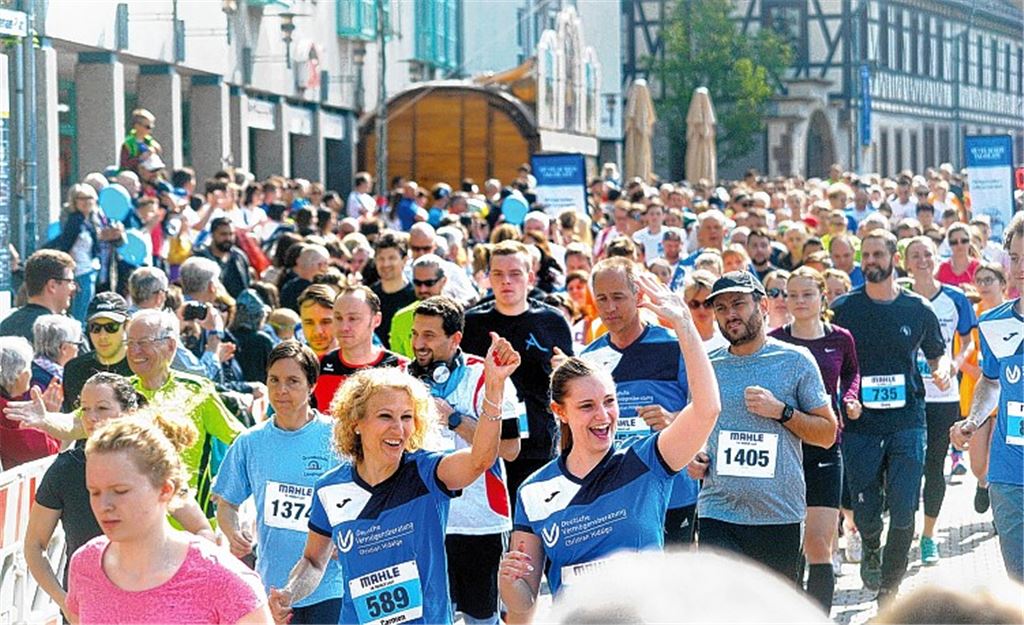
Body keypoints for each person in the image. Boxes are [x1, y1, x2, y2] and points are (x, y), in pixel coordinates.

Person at [499, 275, 720, 619]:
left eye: (609, 401)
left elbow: (707, 410)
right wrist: (510, 586)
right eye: (587, 406)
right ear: (561, 412)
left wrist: (684, 327)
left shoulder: (647, 460)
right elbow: (524, 608)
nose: (603, 416)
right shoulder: (534, 490)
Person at [269, 336, 521, 625]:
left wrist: (494, 389)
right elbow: (313, 562)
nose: (398, 428)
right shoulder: (330, 488)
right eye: (385, 416)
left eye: (406, 417)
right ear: (356, 423)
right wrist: (290, 592)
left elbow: (480, 460)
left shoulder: (427, 472)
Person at [25, 373, 215, 621]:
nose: (92, 418)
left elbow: (202, 529)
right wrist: (65, 601)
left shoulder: (152, 464)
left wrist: (178, 580)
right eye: (85, 409)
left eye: (102, 408)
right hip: (87, 611)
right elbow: (33, 545)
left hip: (152, 608)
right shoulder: (65, 469)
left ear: (128, 412)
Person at [687, 271, 837, 581]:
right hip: (718, 510)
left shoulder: (795, 360)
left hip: (778, 514)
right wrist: (696, 455)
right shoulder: (708, 365)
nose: (730, 315)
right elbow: (696, 429)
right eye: (721, 308)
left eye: (738, 304)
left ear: (763, 305)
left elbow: (827, 433)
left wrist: (782, 412)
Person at [831, 229, 949, 602]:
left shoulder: (917, 308)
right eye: (865, 255)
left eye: (878, 255)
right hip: (861, 422)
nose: (870, 262)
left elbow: (936, 352)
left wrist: (942, 370)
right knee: (865, 507)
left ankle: (891, 584)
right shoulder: (845, 309)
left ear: (893, 259)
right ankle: (869, 545)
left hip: (907, 421)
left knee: (902, 512)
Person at [64, 417, 271, 624]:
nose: (104, 505)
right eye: (95, 492)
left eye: (120, 491)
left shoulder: (223, 579)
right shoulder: (85, 564)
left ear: (165, 490)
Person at [409, 296, 521, 625]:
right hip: (427, 520)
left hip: (480, 521)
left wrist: (455, 419)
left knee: (481, 618)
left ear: (455, 338)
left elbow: (511, 449)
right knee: (429, 615)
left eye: (429, 335)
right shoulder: (404, 377)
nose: (418, 344)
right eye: (415, 334)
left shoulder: (488, 376)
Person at [213, 342, 343, 624]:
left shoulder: (337, 438)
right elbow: (226, 503)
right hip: (273, 587)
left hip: (331, 585)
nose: (281, 390)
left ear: (311, 386)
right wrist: (233, 532)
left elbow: (363, 499)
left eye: (292, 381)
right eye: (274, 380)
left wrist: (346, 536)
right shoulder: (250, 441)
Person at [579, 258, 702, 545]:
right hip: (616, 490)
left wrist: (674, 420)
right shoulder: (590, 358)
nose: (610, 308)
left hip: (672, 489)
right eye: (602, 299)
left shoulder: (674, 345)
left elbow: (706, 408)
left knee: (674, 583)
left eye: (618, 297)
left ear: (638, 296)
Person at [769, 267, 861, 611]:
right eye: (791, 295)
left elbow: (852, 373)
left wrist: (851, 398)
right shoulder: (776, 340)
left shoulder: (841, 338)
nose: (799, 301)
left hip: (826, 446)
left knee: (819, 544)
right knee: (790, 544)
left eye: (807, 294)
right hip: (785, 449)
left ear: (823, 297)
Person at [462, 241, 574, 505]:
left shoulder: (552, 321)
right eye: (498, 274)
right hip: (488, 444)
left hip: (540, 442)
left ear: (530, 278)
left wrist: (564, 368)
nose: (506, 282)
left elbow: (571, 380)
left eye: (515, 274)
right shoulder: (473, 324)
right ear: (488, 277)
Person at [950, 212, 1024, 582]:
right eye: (1015, 258)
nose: (1021, 268)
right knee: (1019, 581)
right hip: (1009, 473)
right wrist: (974, 419)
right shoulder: (994, 322)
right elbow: (991, 382)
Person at [903, 235, 976, 565]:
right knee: (905, 469)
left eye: (927, 254)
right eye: (914, 255)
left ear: (937, 258)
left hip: (942, 396)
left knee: (934, 466)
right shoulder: (898, 298)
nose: (921, 260)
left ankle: (929, 537)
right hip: (904, 397)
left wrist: (954, 367)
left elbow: (967, 342)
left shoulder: (955, 298)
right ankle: (902, 532)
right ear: (905, 262)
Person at [312, 285, 408, 412]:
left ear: (376, 320)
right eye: (338, 318)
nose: (344, 327)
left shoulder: (400, 367)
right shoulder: (317, 367)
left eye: (353, 318)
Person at [959, 261, 1007, 512]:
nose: (984, 285)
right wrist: (986, 373)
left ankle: (1000, 506)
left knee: (1001, 457)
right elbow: (962, 353)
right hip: (977, 393)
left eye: (990, 280)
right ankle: (982, 482)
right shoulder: (972, 314)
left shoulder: (1013, 315)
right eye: (981, 281)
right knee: (978, 463)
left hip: (1008, 396)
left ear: (1002, 283)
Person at [55, 184, 123, 322]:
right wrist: (70, 275)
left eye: (90, 198)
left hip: (90, 270)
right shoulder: (75, 220)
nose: (87, 202)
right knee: (80, 315)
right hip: (80, 272)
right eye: (82, 198)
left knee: (86, 313)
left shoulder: (91, 220)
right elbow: (65, 247)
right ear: (75, 201)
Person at [62, 292, 135, 412]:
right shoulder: (74, 369)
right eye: (95, 327)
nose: (102, 335)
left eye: (111, 327)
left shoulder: (139, 367)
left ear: (127, 325)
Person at [0, 336, 61, 469]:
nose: (31, 372)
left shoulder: (12, 404)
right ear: (18, 374)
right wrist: (48, 419)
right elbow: (46, 452)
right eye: (28, 367)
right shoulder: (7, 411)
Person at [0, 249, 77, 343]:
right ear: (52, 285)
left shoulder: (6, 324)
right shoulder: (60, 331)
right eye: (70, 282)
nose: (73, 288)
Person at [389, 254, 448, 358]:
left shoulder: (458, 315)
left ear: (443, 281)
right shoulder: (400, 318)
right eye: (417, 283)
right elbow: (397, 362)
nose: (423, 289)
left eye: (429, 283)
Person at [369, 231, 416, 349]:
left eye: (392, 258)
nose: (386, 264)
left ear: (404, 260)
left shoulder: (416, 295)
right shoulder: (369, 296)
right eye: (381, 258)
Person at [30, 314, 82, 401]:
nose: (78, 350)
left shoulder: (31, 371)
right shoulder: (45, 382)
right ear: (64, 348)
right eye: (77, 344)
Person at [199, 217, 252, 298]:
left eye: (231, 234)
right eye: (223, 234)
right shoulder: (201, 258)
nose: (228, 238)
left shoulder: (239, 257)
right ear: (212, 234)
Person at [682, 270, 729, 351]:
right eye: (694, 304)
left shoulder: (728, 336)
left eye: (707, 304)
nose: (701, 309)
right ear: (685, 303)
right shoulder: (679, 339)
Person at [280, 244, 330, 312]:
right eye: (326, 263)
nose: (327, 268)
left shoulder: (287, 287)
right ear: (319, 265)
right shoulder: (319, 290)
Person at [297, 283, 340, 360]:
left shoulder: (359, 363)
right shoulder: (292, 365)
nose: (318, 331)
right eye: (309, 323)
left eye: (326, 322)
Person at [936, 222, 981, 287]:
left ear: (970, 241)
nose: (959, 245)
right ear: (949, 244)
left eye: (964, 241)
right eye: (954, 242)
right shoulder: (941, 268)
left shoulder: (979, 267)